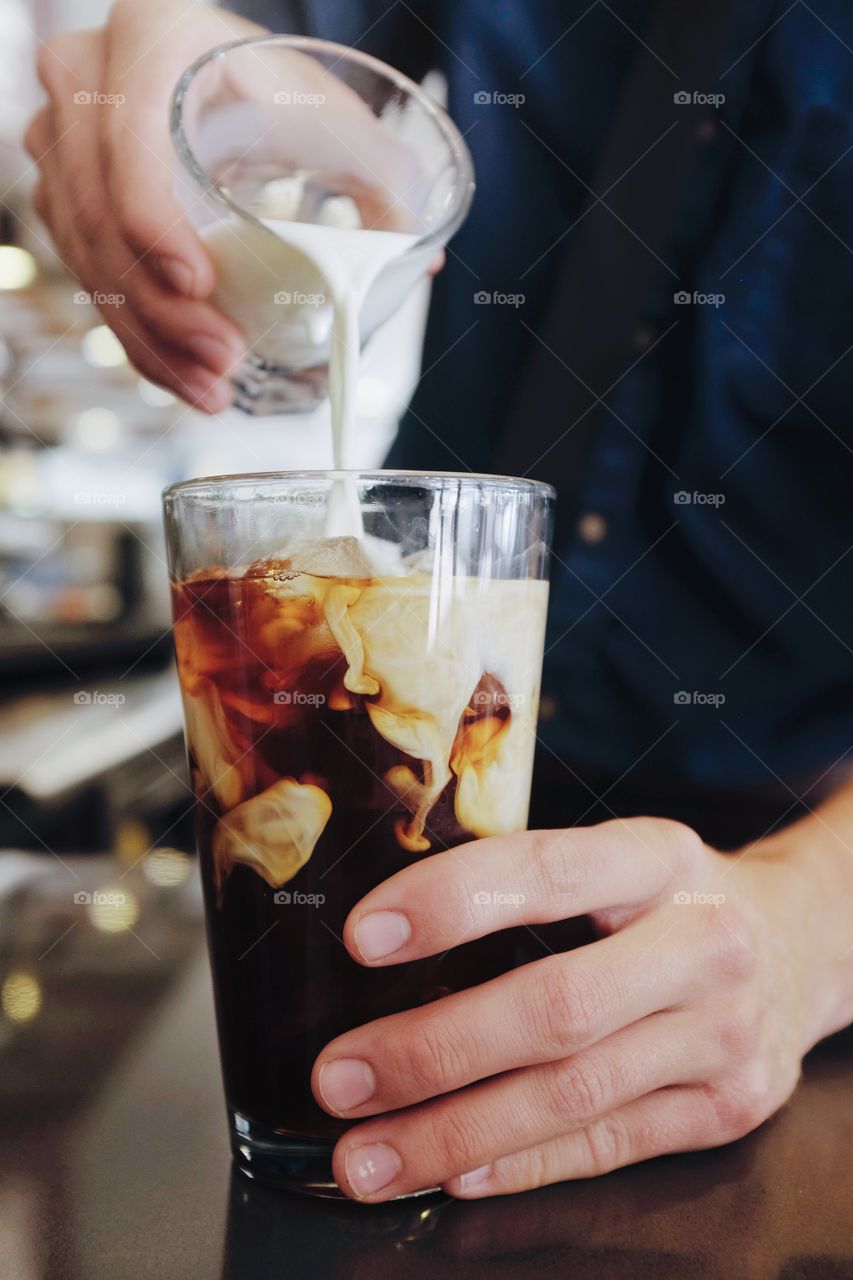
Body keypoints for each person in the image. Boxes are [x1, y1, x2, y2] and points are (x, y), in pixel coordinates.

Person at [25, 0, 853, 1202]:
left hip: (784, 854)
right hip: (388, 751)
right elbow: (276, 57)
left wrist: (810, 924)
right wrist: (187, 57)